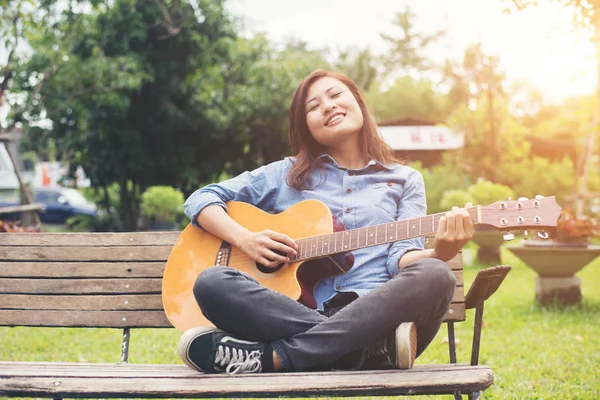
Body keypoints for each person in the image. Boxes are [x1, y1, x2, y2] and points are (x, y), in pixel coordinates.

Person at [179, 69, 473, 375]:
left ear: (358, 102)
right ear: (306, 126)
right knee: (212, 282)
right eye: (313, 106)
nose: (327, 106)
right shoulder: (285, 174)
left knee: (436, 274)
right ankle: (363, 350)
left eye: (335, 95)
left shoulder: (404, 180)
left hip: (377, 313)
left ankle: (275, 358)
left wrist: (440, 252)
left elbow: (403, 258)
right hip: (300, 314)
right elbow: (202, 198)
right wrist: (244, 239)